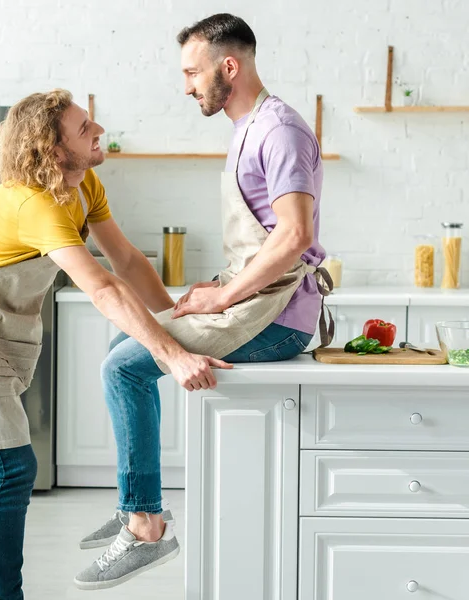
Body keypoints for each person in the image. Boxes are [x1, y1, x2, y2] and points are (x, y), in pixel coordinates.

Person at [0, 89, 231, 600]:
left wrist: (177, 323)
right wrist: (172, 354)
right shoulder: (34, 203)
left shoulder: (84, 183)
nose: (98, 132)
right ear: (52, 149)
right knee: (14, 469)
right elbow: (100, 287)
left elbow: (126, 262)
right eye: (84, 130)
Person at [73, 13, 333, 590]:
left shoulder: (279, 131)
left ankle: (145, 527)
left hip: (278, 318)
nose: (187, 84)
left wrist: (223, 299)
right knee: (129, 341)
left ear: (229, 67)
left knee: (123, 368)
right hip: (253, 303)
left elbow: (293, 236)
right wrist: (216, 293)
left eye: (193, 71)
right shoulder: (250, 126)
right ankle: (134, 504)